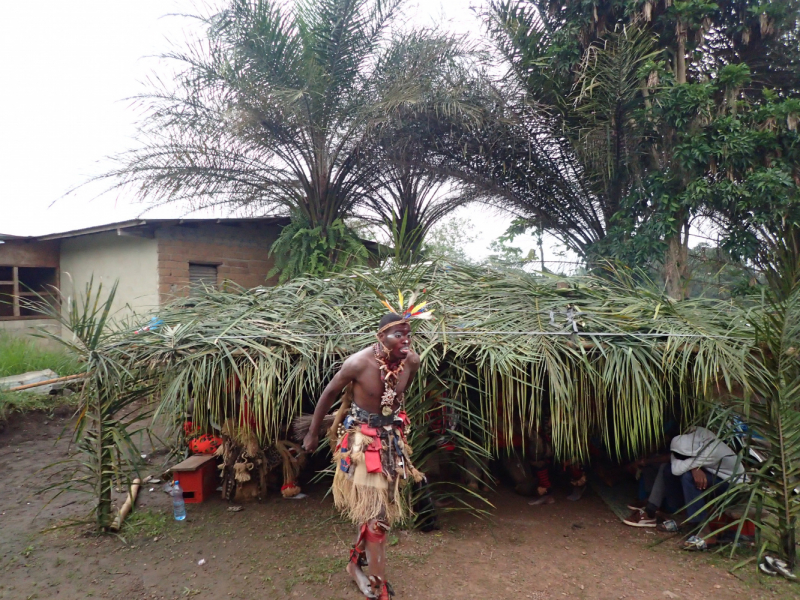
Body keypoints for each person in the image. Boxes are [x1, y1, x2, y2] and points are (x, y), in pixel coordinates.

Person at [303, 309, 428, 600]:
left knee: (378, 513)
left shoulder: (412, 361)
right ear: (381, 336)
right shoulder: (358, 363)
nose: (405, 341)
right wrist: (311, 433)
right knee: (378, 518)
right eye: (399, 335)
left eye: (408, 335)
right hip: (363, 444)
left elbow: (399, 397)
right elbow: (329, 394)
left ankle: (353, 563)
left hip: (391, 441)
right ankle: (377, 585)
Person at [624, 427, 745, 549]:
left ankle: (705, 531)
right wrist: (694, 467)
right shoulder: (697, 435)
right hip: (714, 474)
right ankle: (680, 517)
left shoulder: (712, 450)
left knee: (688, 477)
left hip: (733, 485)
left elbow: (678, 469)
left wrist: (692, 467)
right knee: (668, 470)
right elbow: (674, 461)